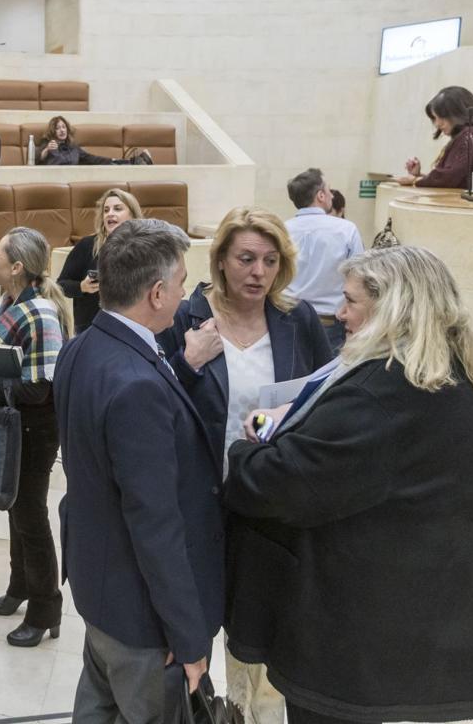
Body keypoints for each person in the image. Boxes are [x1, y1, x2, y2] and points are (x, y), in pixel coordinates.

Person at [225, 246, 473, 724]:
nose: (340, 313)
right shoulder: (452, 377)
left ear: (392, 306)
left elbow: (274, 484)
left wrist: (247, 451)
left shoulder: (383, 393)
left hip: (348, 633)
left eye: (351, 301)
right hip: (409, 616)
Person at [156, 206, 332, 723]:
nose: (259, 272)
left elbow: (322, 395)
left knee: (262, 626)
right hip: (205, 500)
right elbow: (156, 404)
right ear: (222, 261)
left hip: (272, 501)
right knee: (203, 619)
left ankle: (252, 710)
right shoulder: (188, 318)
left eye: (271, 261)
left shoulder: (296, 319)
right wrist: (186, 365)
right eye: (247, 259)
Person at [55, 218, 222, 716]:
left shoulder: (81, 347)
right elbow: (156, 522)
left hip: (98, 590)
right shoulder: (137, 386)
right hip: (142, 619)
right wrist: (187, 636)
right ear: (155, 293)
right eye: (179, 283)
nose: (183, 293)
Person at [0, 227, 72, 647]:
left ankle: (46, 610)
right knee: (15, 510)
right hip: (14, 425)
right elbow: (8, 362)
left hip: (35, 430)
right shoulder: (8, 300)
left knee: (30, 516)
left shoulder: (39, 312)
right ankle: (19, 587)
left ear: (17, 266)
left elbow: (41, 388)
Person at [283, 169, 364, 352]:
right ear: (320, 195)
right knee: (327, 378)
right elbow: (360, 276)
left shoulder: (281, 230)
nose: (331, 195)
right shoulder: (346, 230)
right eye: (329, 190)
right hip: (329, 323)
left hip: (288, 319)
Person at [57, 187, 142, 332]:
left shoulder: (144, 248)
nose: (110, 214)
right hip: (90, 327)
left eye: (117, 209)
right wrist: (82, 287)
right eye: (106, 210)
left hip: (131, 326)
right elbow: (61, 286)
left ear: (133, 215)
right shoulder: (87, 245)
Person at [396, 85, 473, 188]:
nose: (437, 124)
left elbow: (450, 178)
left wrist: (415, 180)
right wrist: (418, 177)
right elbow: (459, 180)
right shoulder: (469, 135)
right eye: (434, 119)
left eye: (440, 117)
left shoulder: (470, 136)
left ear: (457, 112)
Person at [37, 116, 153, 166]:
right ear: (53, 131)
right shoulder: (47, 144)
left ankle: (135, 162)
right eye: (57, 128)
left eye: (63, 127)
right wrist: (47, 150)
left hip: (74, 180)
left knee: (102, 163)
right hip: (55, 181)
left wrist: (118, 160)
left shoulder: (73, 147)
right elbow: (36, 160)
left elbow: (93, 159)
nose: (62, 130)